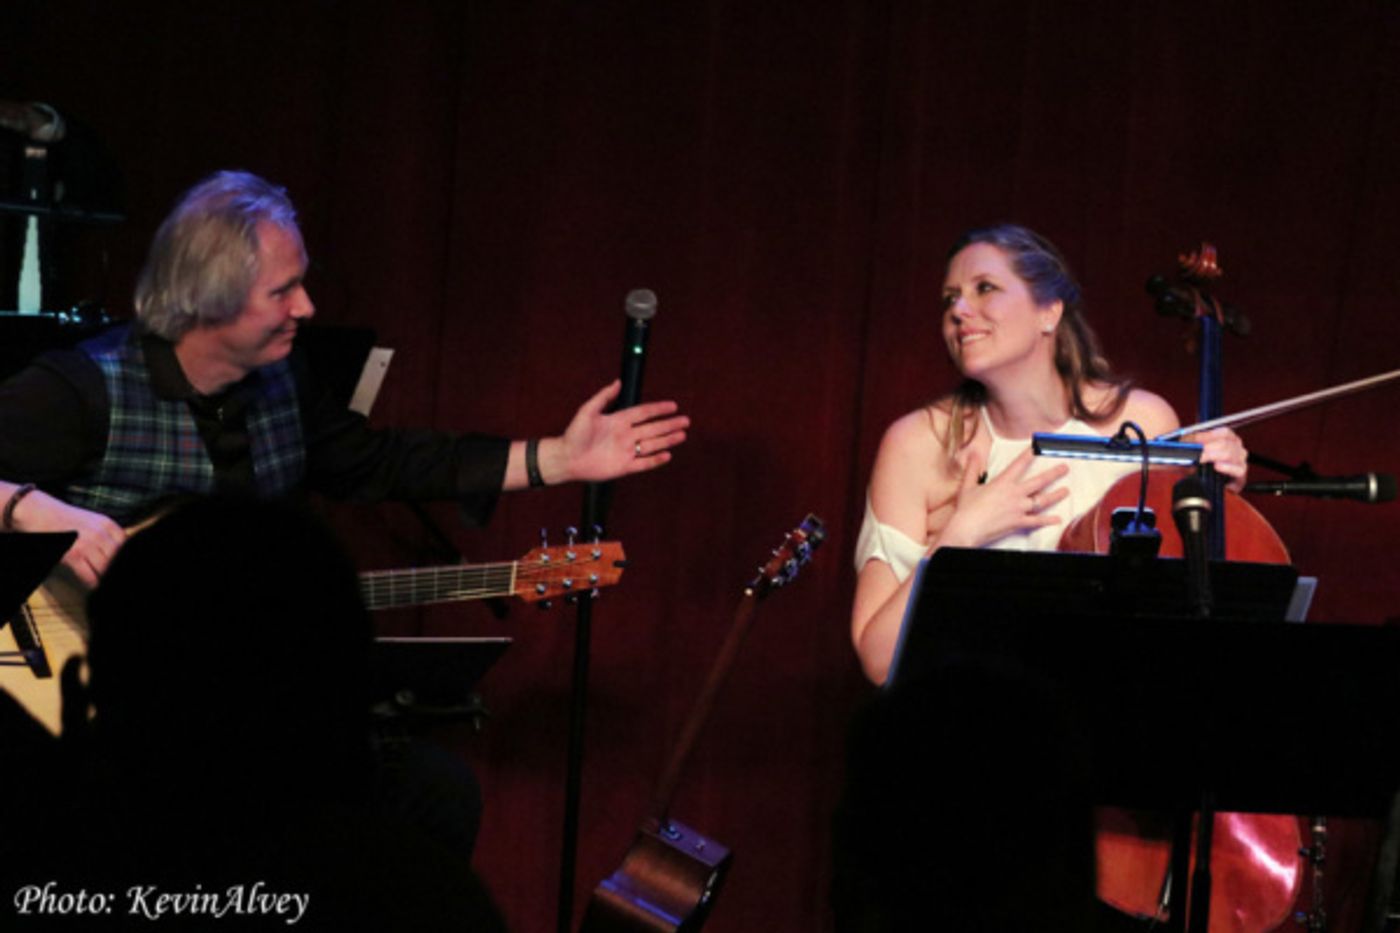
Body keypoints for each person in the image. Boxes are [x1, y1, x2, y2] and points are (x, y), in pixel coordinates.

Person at [0, 169, 688, 588]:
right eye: (283, 291)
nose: (307, 308)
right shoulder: (80, 389)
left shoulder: (280, 384)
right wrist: (32, 509)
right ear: (210, 301)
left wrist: (561, 458)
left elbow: (381, 463)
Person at [850, 223, 1247, 684]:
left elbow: (1184, 612)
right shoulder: (917, 444)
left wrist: (1219, 495)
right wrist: (963, 532)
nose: (959, 310)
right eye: (949, 298)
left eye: (985, 289)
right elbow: (879, 660)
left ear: (1049, 312)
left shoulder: (1143, 423)